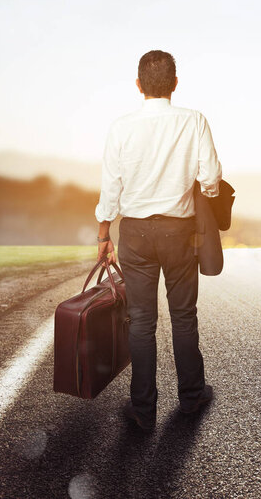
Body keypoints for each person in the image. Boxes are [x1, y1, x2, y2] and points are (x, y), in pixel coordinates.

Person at [94, 50, 222, 431]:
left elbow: (110, 188)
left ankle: (143, 410)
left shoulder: (121, 127)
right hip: (179, 233)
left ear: (138, 86)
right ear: (175, 84)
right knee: (184, 317)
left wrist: (104, 233)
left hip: (134, 233)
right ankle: (191, 396)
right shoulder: (194, 120)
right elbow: (211, 180)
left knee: (141, 321)